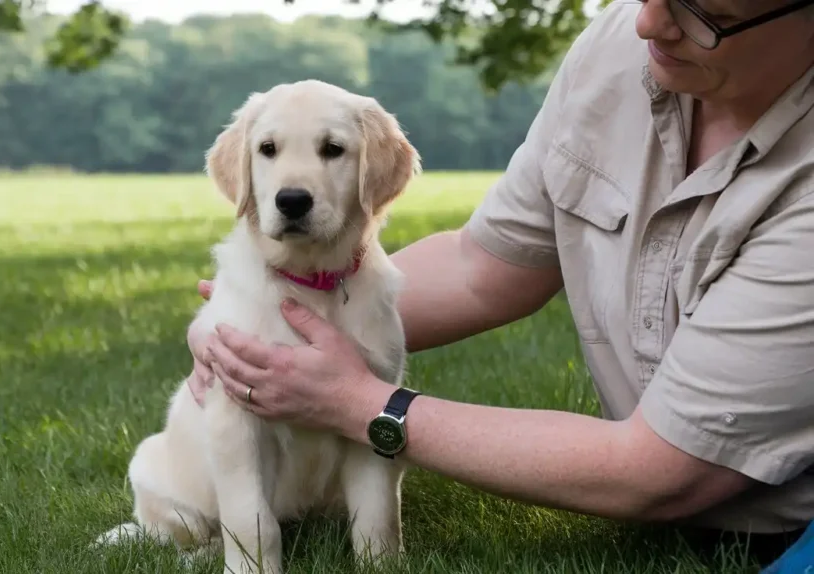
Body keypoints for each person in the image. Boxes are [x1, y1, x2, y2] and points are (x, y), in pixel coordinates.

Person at [185, 0, 814, 568]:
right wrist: (264, 328)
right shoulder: (620, 48)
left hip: (777, 531)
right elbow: (480, 268)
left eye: (706, 11)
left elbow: (662, 471)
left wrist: (364, 405)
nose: (650, 21)